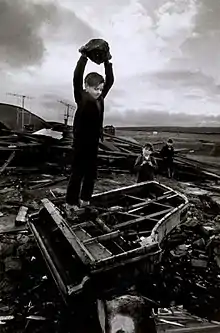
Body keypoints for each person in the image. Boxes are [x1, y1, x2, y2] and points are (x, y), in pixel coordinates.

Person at [65, 46, 114, 216]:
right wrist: (83, 57)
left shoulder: (100, 99)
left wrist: (107, 61)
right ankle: (70, 203)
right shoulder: (81, 97)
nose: (99, 92)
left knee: (91, 174)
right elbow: (76, 78)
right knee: (77, 174)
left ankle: (85, 200)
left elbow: (111, 81)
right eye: (95, 89)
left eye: (100, 89)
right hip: (80, 144)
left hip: (93, 143)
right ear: (87, 87)